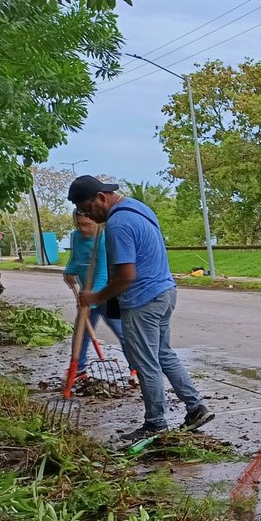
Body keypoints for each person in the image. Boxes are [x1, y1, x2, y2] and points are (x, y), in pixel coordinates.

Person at [67, 175, 213, 441]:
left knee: (147, 364)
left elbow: (125, 276)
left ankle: (156, 423)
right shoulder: (138, 207)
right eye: (82, 212)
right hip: (164, 293)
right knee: (163, 354)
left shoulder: (118, 224)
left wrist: (96, 297)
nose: (88, 215)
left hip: (142, 300)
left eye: (88, 209)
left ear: (101, 197)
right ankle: (196, 407)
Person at [63, 210, 125, 378]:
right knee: (80, 331)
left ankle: (138, 367)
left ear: (98, 222)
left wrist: (92, 301)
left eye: (87, 225)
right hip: (86, 295)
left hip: (105, 294)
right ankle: (79, 368)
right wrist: (69, 272)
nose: (83, 229)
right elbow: (76, 260)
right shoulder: (76, 236)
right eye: (79, 224)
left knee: (121, 331)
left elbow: (102, 274)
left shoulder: (104, 239)